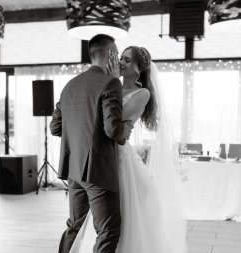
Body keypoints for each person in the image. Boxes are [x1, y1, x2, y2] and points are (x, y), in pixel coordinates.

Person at [68, 46, 188, 253]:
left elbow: (114, 123)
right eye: (120, 58)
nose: (121, 62)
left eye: (127, 60)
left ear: (140, 69)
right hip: (97, 154)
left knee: (123, 213)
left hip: (119, 157)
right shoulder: (107, 85)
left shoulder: (143, 93)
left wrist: (112, 84)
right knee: (101, 217)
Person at [50, 34, 133, 253]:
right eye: (116, 52)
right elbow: (113, 130)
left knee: (75, 226)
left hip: (72, 168)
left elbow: (55, 128)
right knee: (108, 230)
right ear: (111, 54)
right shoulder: (110, 82)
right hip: (98, 169)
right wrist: (127, 130)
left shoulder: (70, 84)